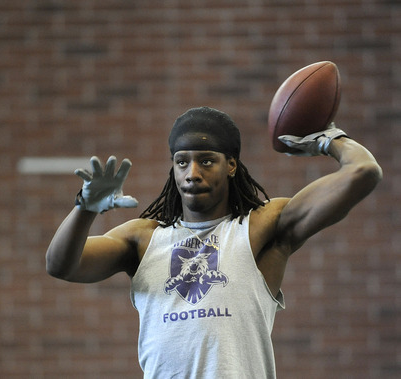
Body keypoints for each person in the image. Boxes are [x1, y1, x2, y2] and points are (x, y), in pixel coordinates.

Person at [45, 106, 382, 378]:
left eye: (206, 160)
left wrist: (330, 140)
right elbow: (61, 265)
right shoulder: (143, 238)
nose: (192, 173)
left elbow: (364, 173)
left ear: (231, 165)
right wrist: (85, 208)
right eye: (182, 162)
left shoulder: (262, 226)